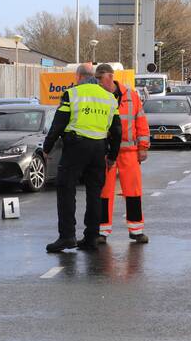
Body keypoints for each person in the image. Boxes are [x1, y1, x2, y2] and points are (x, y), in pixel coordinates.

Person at [42, 63, 121, 253]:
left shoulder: (72, 94)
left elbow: (58, 123)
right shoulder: (110, 98)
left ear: (78, 77)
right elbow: (117, 131)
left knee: (66, 188)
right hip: (99, 148)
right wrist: (112, 156)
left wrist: (47, 147)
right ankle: (91, 237)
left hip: (76, 147)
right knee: (94, 193)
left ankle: (67, 236)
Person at [96, 64, 150, 244]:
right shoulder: (98, 96)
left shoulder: (131, 95)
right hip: (106, 151)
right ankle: (102, 231)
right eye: (97, 79)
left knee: (133, 190)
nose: (98, 82)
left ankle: (136, 230)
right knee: (104, 191)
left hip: (129, 151)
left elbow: (141, 122)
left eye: (100, 78)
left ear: (110, 77)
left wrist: (143, 147)